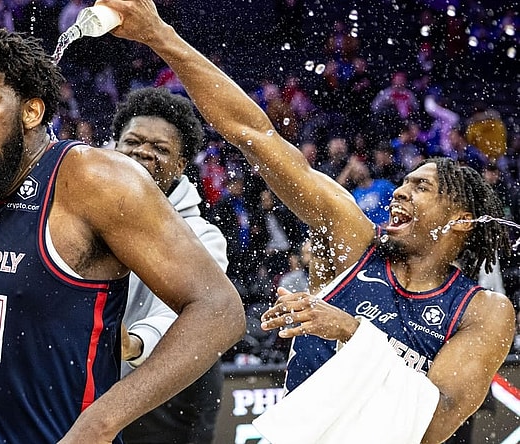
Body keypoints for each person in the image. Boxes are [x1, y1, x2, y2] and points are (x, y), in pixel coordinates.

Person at [107, 1, 515, 442]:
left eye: (422, 188)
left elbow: (433, 422)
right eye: (404, 182)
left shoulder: (484, 310)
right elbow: (254, 133)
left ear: (460, 221)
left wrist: (348, 330)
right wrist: (160, 36)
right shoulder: (355, 243)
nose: (399, 191)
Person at [0, 27, 244, 443]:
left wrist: (101, 424)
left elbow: (220, 311)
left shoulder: (93, 179)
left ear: (32, 112)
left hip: (124, 411)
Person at [110, 87, 229, 443]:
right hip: (78, 383)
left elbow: (187, 315)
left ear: (180, 165)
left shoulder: (201, 236)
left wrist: (134, 343)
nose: (143, 152)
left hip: (163, 397)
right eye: (133, 141)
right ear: (115, 145)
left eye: (160, 148)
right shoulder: (79, 212)